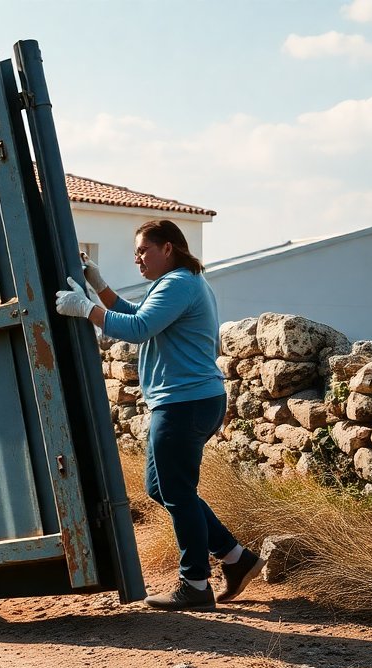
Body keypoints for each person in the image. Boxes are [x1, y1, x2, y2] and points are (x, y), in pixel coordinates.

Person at [54, 219, 264, 611]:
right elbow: (139, 314)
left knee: (178, 492)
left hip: (185, 402)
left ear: (168, 248)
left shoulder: (179, 283)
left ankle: (195, 585)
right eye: (135, 253)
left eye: (143, 251)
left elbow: (138, 328)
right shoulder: (176, 284)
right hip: (189, 400)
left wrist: (87, 311)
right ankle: (237, 559)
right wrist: (99, 288)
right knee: (161, 488)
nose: (138, 259)